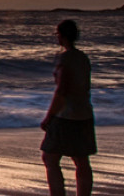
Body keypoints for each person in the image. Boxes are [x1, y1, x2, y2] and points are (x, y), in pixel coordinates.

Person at [40, 19, 96, 196]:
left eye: (57, 34)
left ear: (61, 36)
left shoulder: (65, 59)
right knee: (81, 159)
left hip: (67, 115)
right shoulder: (83, 58)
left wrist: (49, 117)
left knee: (50, 157)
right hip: (84, 112)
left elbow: (61, 91)